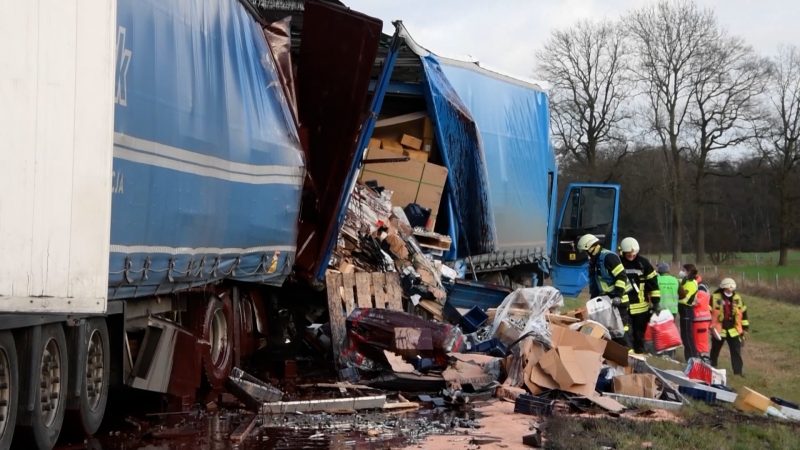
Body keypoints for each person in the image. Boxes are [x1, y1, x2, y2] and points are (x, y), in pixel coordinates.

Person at [577, 234, 631, 347]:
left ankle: (629, 358)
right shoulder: (594, 261)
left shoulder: (609, 257)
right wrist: (593, 301)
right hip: (606, 302)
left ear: (591, 247)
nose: (586, 255)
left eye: (586, 251)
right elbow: (595, 284)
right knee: (608, 332)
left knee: (620, 331)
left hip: (618, 301)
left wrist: (618, 296)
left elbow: (621, 276)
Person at [618, 237, 661, 354]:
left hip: (641, 308)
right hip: (624, 306)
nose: (631, 256)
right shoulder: (618, 263)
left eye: (634, 254)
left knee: (639, 335)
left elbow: (653, 283)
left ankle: (640, 357)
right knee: (626, 334)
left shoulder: (643, 263)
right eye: (629, 254)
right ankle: (629, 357)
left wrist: (656, 302)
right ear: (622, 252)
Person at [710, 278, 749, 376]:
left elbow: (743, 314)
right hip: (719, 329)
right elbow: (708, 312)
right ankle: (712, 367)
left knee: (736, 351)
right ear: (723, 287)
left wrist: (745, 328)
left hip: (734, 330)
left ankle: (738, 372)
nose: (730, 289)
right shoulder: (714, 297)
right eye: (728, 287)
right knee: (715, 350)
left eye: (732, 288)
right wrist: (710, 327)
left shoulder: (738, 298)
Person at [677, 263, 699, 361]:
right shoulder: (686, 281)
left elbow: (683, 297)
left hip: (686, 309)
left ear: (689, 272)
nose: (682, 272)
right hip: (683, 310)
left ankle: (692, 358)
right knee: (685, 336)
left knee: (687, 336)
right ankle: (689, 358)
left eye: (684, 270)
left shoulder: (691, 283)